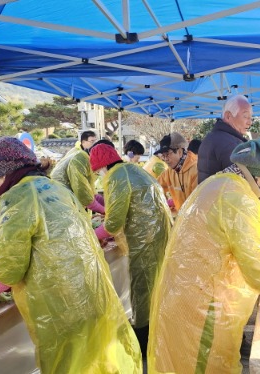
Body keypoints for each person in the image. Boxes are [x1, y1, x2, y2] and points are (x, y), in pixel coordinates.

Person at [0, 137, 142, 373]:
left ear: (3, 174)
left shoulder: (17, 197)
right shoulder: (57, 188)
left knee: (68, 364)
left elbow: (9, 267)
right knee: (100, 362)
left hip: (60, 305)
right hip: (93, 292)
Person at [148, 137, 260, 374]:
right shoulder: (242, 199)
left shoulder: (218, 183)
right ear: (259, 176)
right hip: (205, 310)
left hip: (186, 298)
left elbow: (243, 245)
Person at [90, 143, 172, 357]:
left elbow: (114, 221)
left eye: (98, 169)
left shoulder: (116, 176)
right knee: (154, 285)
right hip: (158, 234)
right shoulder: (132, 169)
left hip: (144, 238)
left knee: (142, 286)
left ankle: (144, 342)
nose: (99, 174)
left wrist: (92, 235)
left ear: (103, 165)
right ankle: (156, 331)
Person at [197, 95, 251, 183]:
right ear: (228, 116)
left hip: (209, 194)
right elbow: (241, 183)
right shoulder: (229, 143)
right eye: (245, 116)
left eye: (250, 117)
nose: (250, 122)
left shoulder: (211, 137)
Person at [50, 130, 104, 214]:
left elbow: (88, 185)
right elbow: (81, 189)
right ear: (83, 142)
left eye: (95, 141)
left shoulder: (85, 156)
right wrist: (104, 210)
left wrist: (101, 201)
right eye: (92, 141)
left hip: (70, 196)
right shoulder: (79, 158)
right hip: (63, 196)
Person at [156, 132, 198, 213]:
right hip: (181, 218)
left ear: (179, 152)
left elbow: (198, 203)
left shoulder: (196, 169)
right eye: (163, 155)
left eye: (167, 154)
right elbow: (156, 187)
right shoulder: (169, 172)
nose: (165, 159)